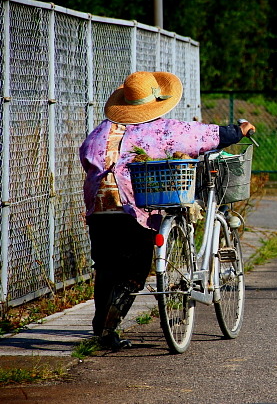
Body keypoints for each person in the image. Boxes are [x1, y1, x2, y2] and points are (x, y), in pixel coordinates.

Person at [79, 71, 255, 350]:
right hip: (134, 205)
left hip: (99, 207)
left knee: (107, 267)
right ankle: (108, 329)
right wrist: (238, 130)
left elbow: (86, 156)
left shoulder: (100, 131)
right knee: (134, 271)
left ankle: (102, 330)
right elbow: (204, 136)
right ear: (155, 102)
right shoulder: (162, 130)